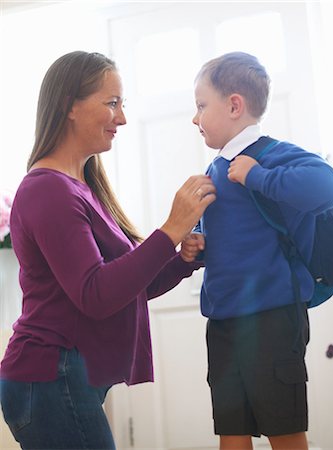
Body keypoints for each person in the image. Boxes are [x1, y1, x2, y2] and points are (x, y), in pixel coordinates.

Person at [0, 50, 216, 450]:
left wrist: (182, 261)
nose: (122, 118)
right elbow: (96, 295)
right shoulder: (48, 189)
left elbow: (124, 288)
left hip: (62, 375)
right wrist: (170, 229)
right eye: (111, 103)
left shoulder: (80, 186)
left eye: (123, 104)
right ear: (70, 106)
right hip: (48, 374)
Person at [181, 52, 333, 450]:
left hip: (272, 318)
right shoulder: (216, 169)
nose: (195, 118)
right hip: (223, 320)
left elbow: (326, 185)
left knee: (282, 428)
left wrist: (258, 176)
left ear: (234, 105)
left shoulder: (269, 155)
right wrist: (196, 244)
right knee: (231, 429)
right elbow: (228, 230)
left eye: (201, 106)